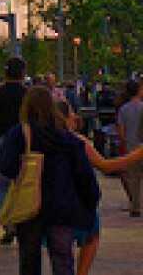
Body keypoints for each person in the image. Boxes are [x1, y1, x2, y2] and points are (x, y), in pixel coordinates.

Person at [0, 85, 100, 275]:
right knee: (63, 259)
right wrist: (90, 202)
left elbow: (6, 167)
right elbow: (84, 176)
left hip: (30, 206)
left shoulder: (21, 134)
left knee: (29, 259)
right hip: (63, 207)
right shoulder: (68, 139)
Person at [55, 98, 143, 275]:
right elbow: (105, 165)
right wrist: (135, 156)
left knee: (60, 245)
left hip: (55, 199)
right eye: (71, 112)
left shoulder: (45, 139)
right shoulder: (77, 141)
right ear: (64, 117)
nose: (75, 116)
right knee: (91, 235)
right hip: (80, 200)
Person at [0, 55, 26, 244]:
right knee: (23, 184)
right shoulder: (29, 95)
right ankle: (22, 221)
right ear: (23, 73)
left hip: (2, 141)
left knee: (1, 185)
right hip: (26, 143)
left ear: (5, 73)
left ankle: (8, 223)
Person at [117, 79, 143, 217]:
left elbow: (121, 132)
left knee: (134, 178)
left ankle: (135, 206)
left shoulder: (124, 109)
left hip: (131, 147)